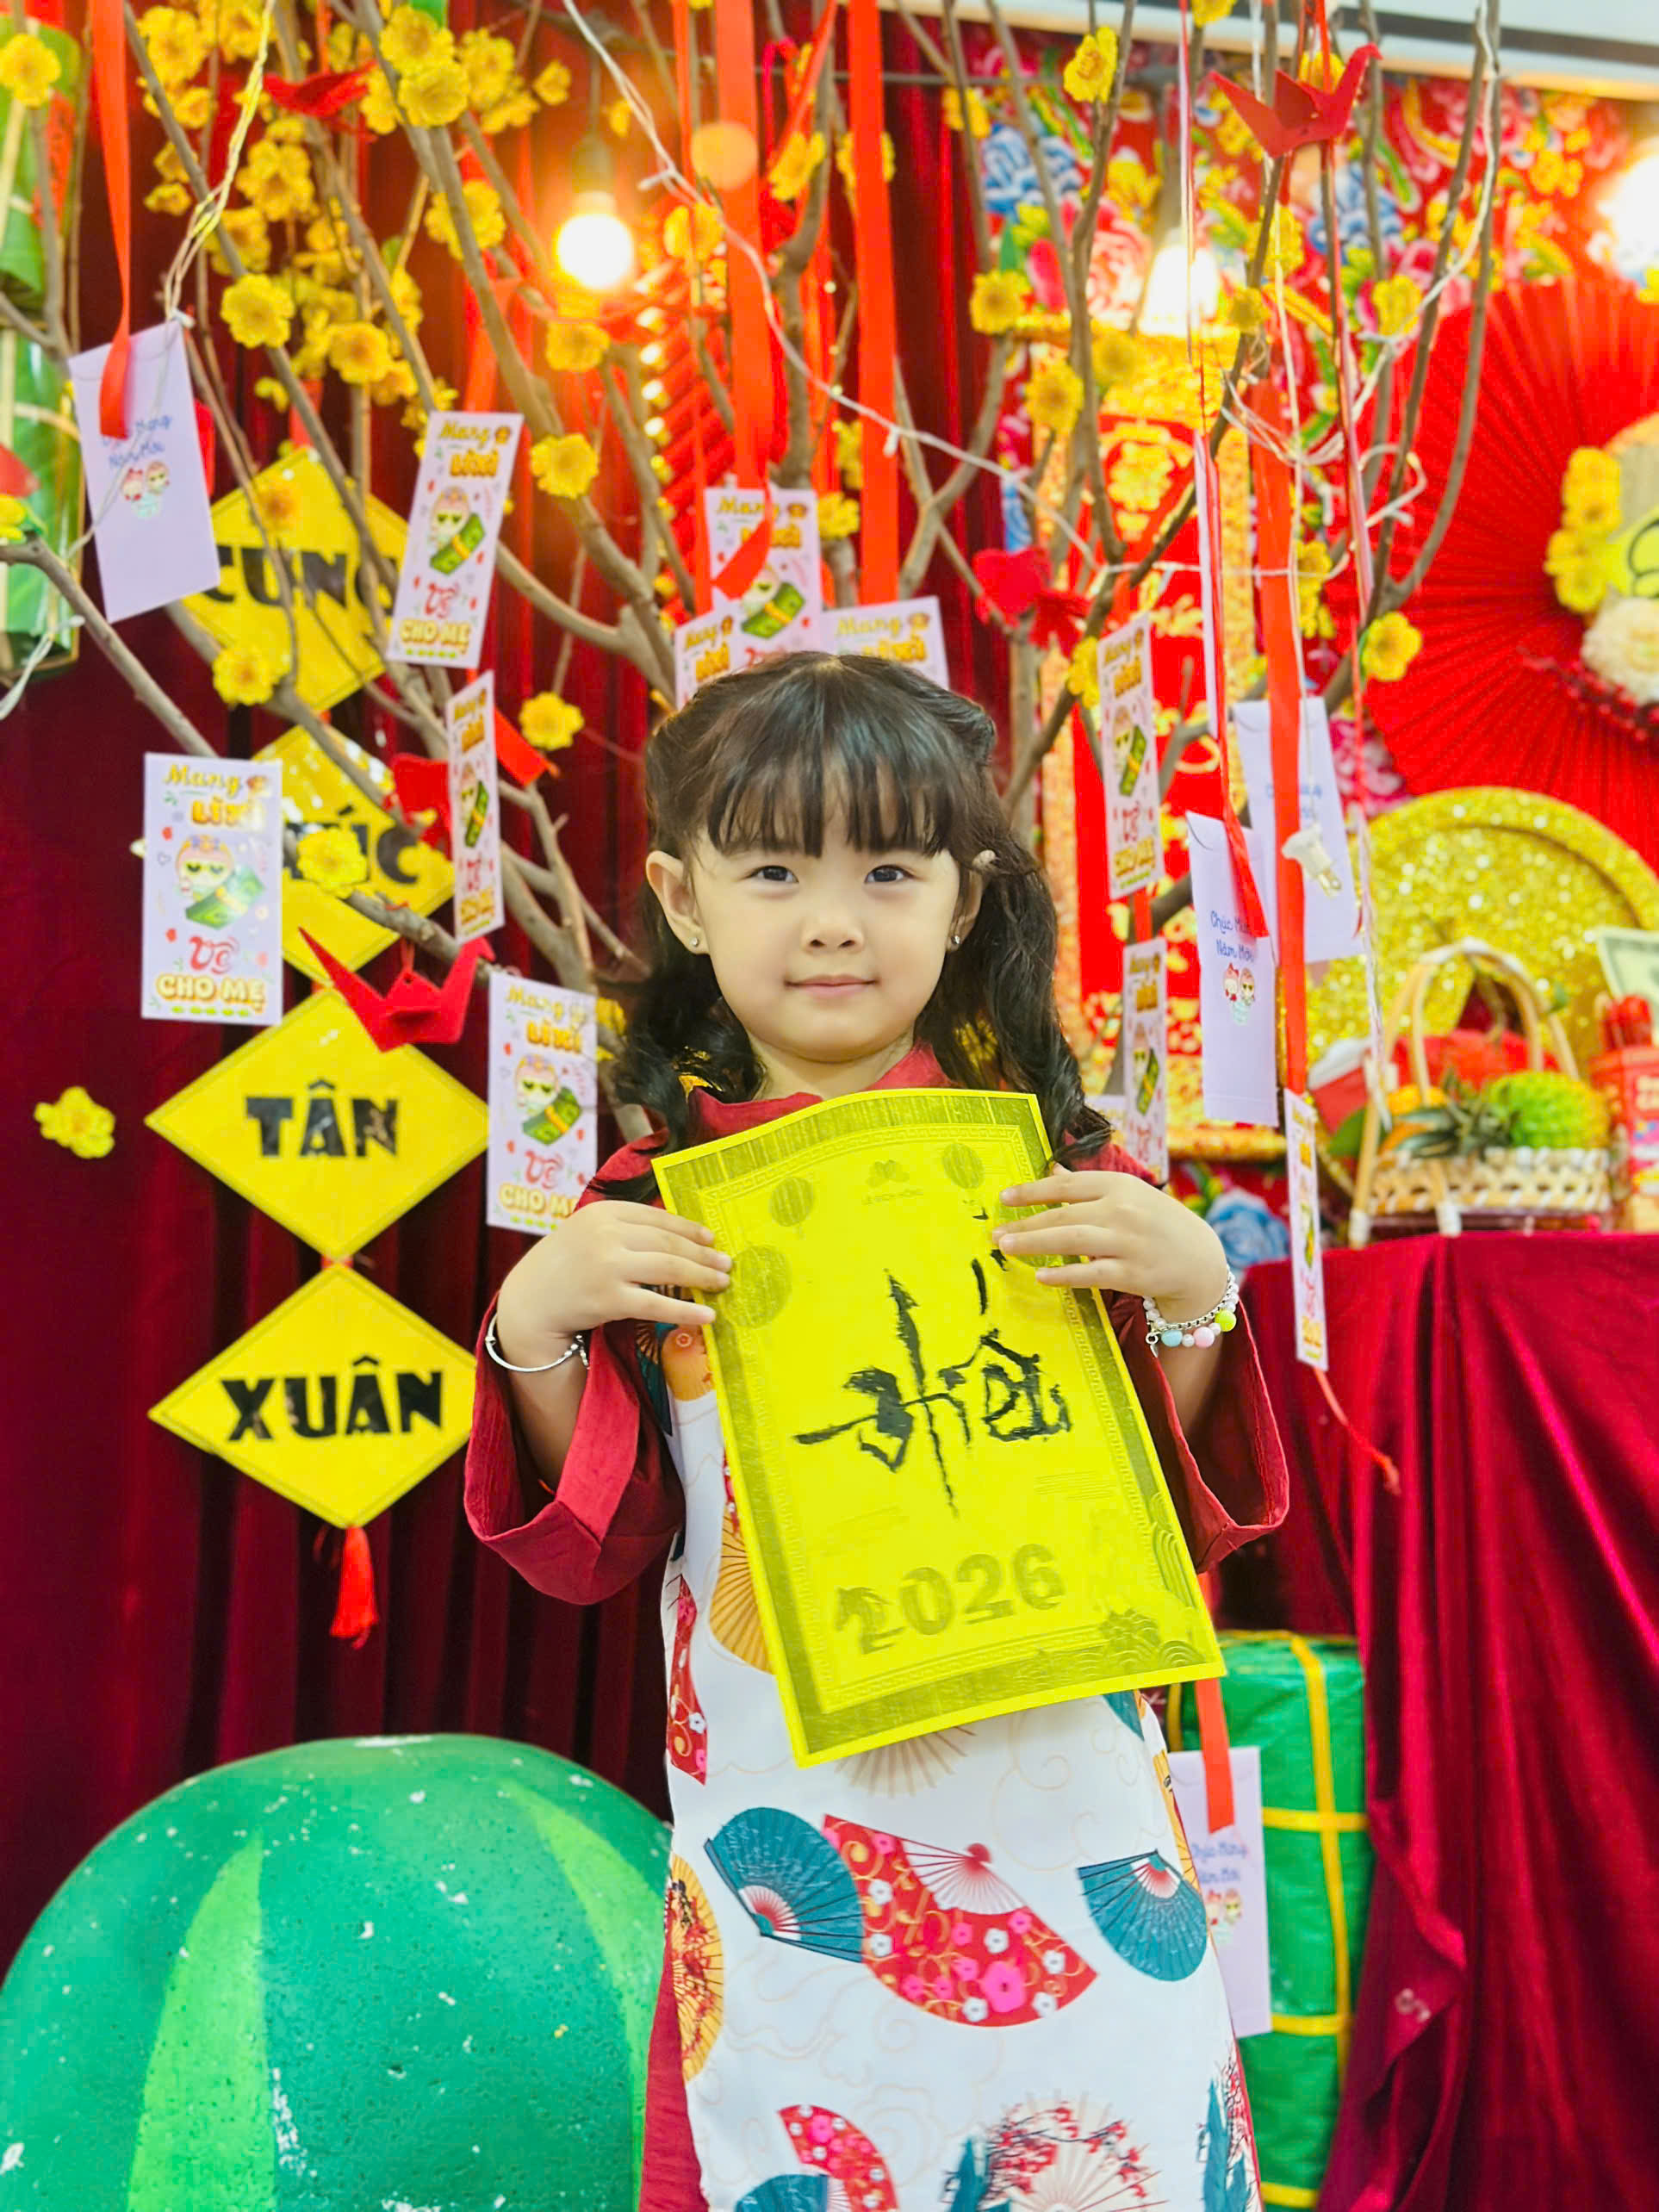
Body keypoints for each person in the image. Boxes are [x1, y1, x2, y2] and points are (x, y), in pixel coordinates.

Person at [467, 652, 1288, 2212]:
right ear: (684, 899)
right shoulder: (650, 1209)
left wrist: (1192, 1298)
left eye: (888, 873)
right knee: (815, 2154)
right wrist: (536, 1325)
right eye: (774, 872)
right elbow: (600, 1537)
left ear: (964, 900)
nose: (832, 921)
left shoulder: (1057, 1173)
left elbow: (1167, 1504)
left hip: (1063, 1801)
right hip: (792, 1819)